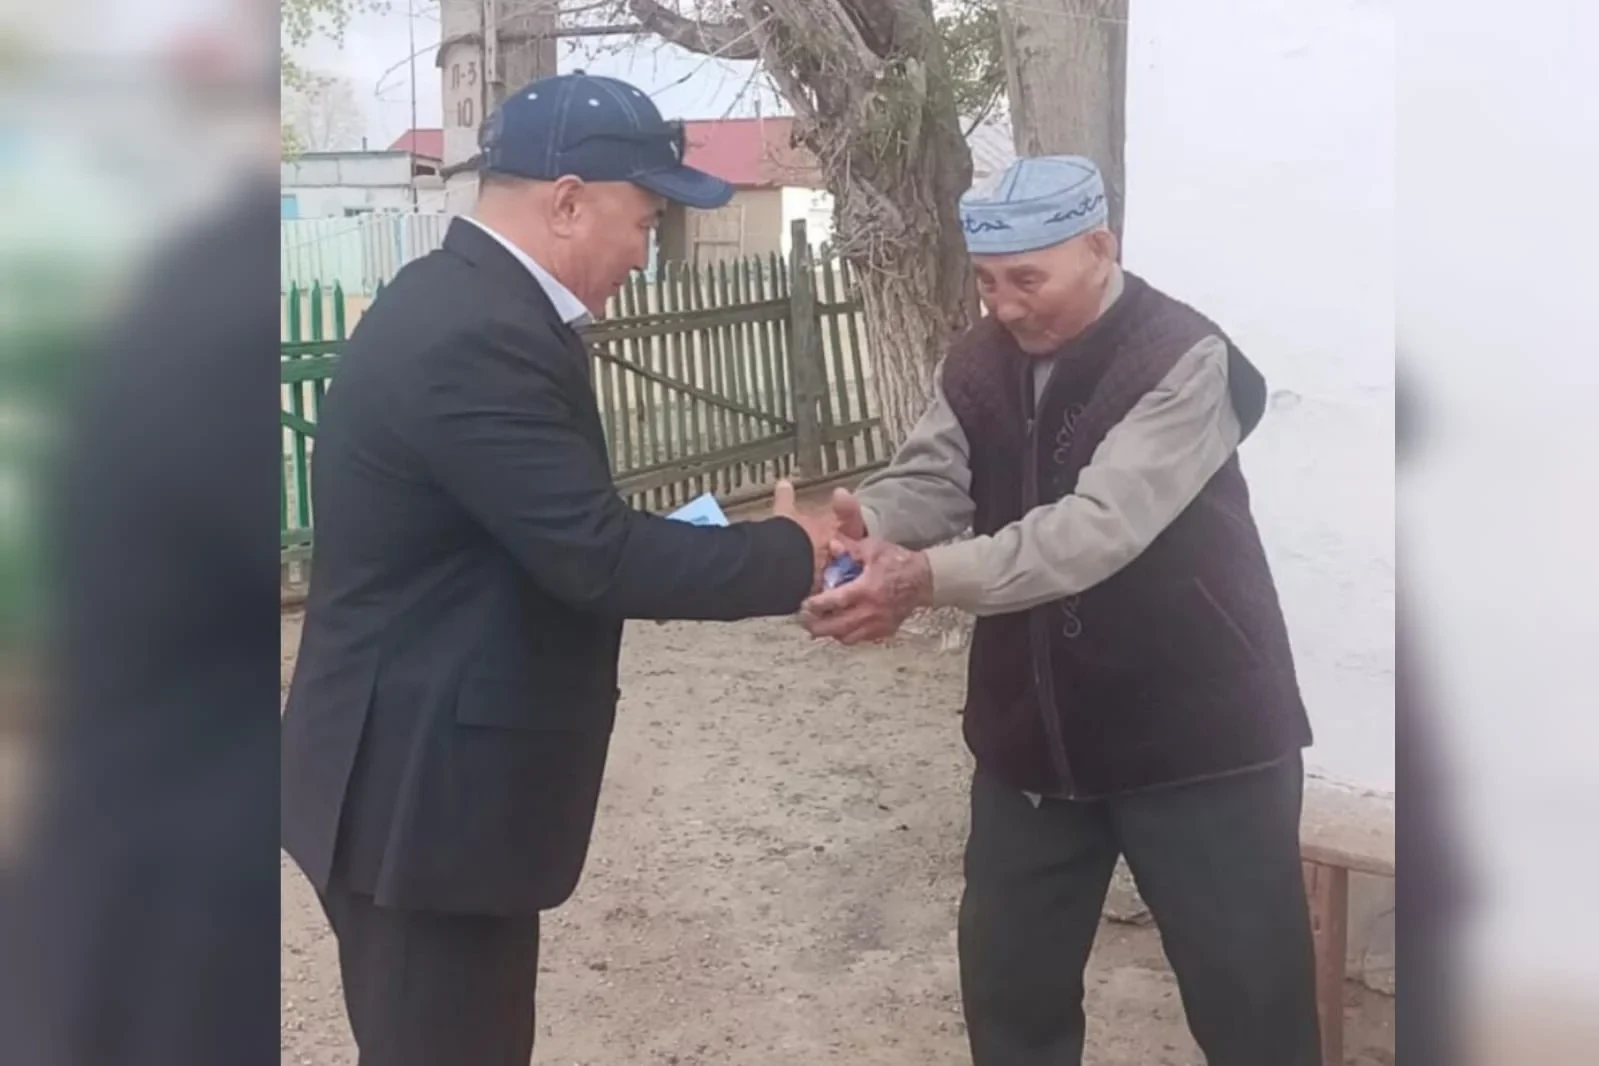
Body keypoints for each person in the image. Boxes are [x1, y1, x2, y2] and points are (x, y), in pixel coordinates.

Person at [279, 72, 835, 1066]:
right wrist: (795, 552)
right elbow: (595, 555)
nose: (644, 252)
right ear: (569, 200)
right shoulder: (475, 333)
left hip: (430, 792)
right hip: (417, 804)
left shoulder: (465, 301)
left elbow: (543, 530)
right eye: (644, 220)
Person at [803, 156, 1322, 1064]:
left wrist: (921, 579)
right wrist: (863, 527)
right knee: (1011, 999)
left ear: (1098, 248)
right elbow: (935, 476)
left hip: (1197, 740)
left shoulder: (1183, 359)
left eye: (1027, 279)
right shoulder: (978, 359)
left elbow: (1093, 531)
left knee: (1252, 1009)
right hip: (1032, 742)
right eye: (986, 281)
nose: (1003, 306)